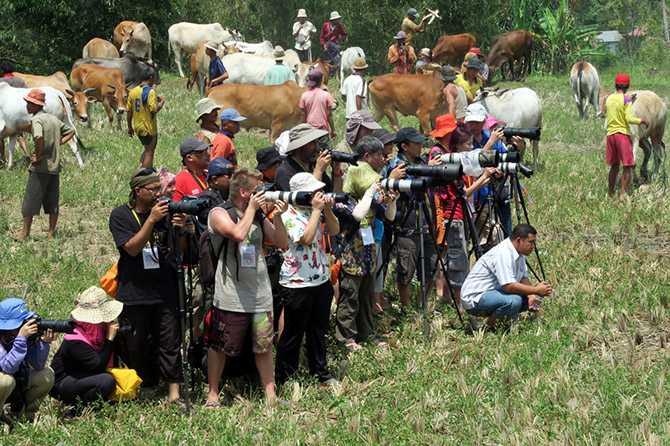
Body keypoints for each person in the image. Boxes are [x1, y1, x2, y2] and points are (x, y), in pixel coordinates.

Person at [108, 167, 193, 407]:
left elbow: (174, 252)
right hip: (134, 292)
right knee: (136, 344)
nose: (159, 193)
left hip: (164, 290)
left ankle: (174, 393)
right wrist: (152, 220)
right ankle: (140, 386)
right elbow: (133, 248)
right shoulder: (120, 215)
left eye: (159, 188)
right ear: (138, 191)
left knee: (169, 342)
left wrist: (181, 231)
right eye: (153, 189)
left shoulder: (165, 213)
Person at [205, 168, 286, 407]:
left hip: (260, 294)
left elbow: (282, 243)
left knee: (263, 345)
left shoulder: (258, 216)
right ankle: (212, 394)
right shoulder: (220, 213)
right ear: (244, 192)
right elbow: (238, 234)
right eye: (257, 189)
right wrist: (251, 209)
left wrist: (277, 217)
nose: (262, 193)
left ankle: (270, 395)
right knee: (221, 345)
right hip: (232, 295)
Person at [273, 172, 340, 385]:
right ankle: (284, 377)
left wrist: (326, 210)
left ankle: (321, 373)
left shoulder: (314, 210)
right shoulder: (288, 213)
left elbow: (335, 229)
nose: (318, 194)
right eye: (314, 191)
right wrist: (318, 210)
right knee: (293, 333)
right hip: (297, 282)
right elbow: (305, 238)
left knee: (318, 330)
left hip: (320, 278)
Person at [334, 137, 399, 350]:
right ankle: (346, 338)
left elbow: (388, 217)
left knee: (366, 298)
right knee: (349, 299)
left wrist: (392, 200)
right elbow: (356, 215)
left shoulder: (370, 200)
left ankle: (367, 333)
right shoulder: (344, 201)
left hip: (367, 258)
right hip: (351, 257)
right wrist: (371, 192)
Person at [430, 123, 499, 306]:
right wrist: (484, 178)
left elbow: (471, 186)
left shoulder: (463, 162)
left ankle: (447, 297)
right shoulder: (451, 165)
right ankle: (457, 300)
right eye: (468, 144)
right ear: (458, 146)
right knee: (457, 258)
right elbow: (464, 193)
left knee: (459, 256)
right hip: (455, 216)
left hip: (465, 214)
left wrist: (487, 177)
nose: (471, 147)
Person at [386, 127, 441, 310]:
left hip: (425, 219)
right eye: (416, 143)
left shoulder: (422, 161)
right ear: (404, 146)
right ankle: (406, 306)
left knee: (432, 264)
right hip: (406, 224)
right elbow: (404, 188)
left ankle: (422, 303)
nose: (420, 146)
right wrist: (427, 171)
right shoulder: (397, 166)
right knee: (405, 268)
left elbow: (430, 184)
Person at [460, 224, 553, 331]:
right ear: (519, 240)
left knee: (524, 299)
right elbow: (508, 286)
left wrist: (531, 296)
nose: (533, 246)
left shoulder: (519, 252)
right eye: (531, 242)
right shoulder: (503, 253)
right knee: (514, 301)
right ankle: (488, 329)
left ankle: (503, 324)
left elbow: (523, 278)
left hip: (493, 294)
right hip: (475, 298)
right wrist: (536, 290)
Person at [49, 286, 123, 407]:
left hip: (82, 375)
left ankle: (101, 402)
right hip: (62, 382)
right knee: (106, 381)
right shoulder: (76, 338)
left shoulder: (98, 330)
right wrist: (110, 339)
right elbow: (98, 366)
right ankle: (81, 408)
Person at [20, 88, 75, 242]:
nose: (27, 106)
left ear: (38, 105)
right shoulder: (53, 119)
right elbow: (71, 131)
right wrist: (58, 143)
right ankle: (51, 234)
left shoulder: (37, 119)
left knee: (30, 202)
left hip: (40, 168)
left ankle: (25, 234)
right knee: (52, 202)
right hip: (54, 167)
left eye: (30, 103)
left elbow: (38, 137)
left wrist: (37, 156)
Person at [465, 103, 523, 238]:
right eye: (470, 122)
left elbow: (505, 158)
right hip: (473, 194)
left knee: (495, 236)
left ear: (484, 121)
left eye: (477, 122)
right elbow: (473, 162)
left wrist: (517, 148)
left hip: (491, 193)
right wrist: (491, 142)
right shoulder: (464, 140)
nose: (473, 126)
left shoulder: (490, 137)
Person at [0, 298, 54, 422]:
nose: (23, 326)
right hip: (4, 384)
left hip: (16, 384)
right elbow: (8, 367)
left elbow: (38, 365)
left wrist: (43, 343)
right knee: (5, 380)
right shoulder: (15, 338)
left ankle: (24, 415)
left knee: (47, 375)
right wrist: (21, 339)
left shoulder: (19, 337)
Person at [603, 74, 649, 197]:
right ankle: (623, 192)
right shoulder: (627, 100)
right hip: (622, 135)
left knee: (614, 165)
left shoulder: (609, 99)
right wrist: (641, 121)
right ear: (627, 87)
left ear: (615, 85)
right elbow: (629, 118)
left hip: (610, 135)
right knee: (627, 165)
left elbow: (604, 112)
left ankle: (611, 193)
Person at [275, 124, 343, 194]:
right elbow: (310, 201)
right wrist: (318, 170)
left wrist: (336, 171)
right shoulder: (285, 172)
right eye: (312, 143)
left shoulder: (313, 163)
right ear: (299, 146)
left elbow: (337, 198)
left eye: (317, 143)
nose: (316, 148)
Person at [127, 69, 164, 168]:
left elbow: (129, 112)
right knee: (149, 154)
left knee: (148, 150)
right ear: (151, 78)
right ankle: (146, 176)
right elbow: (154, 110)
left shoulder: (133, 91)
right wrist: (161, 102)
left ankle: (140, 168)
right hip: (148, 128)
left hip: (138, 127)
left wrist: (129, 127)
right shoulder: (150, 91)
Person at [0, 60, 29, 162]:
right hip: (19, 111)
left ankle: (3, 157)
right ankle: (26, 153)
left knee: (0, 137)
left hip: (5, 113)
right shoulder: (19, 81)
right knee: (19, 135)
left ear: (2, 71)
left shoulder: (1, 82)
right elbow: (27, 94)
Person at [197, 157, 234, 226]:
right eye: (229, 175)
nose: (233, 178)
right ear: (215, 180)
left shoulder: (227, 194)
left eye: (233, 174)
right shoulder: (206, 199)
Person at [300, 69, 336, 139]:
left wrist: (303, 129)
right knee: (324, 149)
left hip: (309, 129)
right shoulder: (326, 95)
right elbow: (329, 114)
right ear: (320, 81)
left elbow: (303, 114)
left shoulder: (304, 95)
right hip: (322, 130)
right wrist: (333, 130)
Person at [173, 137, 210, 202]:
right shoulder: (180, 181)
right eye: (202, 152)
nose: (208, 154)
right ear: (189, 157)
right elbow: (175, 209)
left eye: (207, 150)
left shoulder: (208, 176)